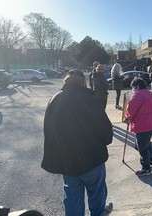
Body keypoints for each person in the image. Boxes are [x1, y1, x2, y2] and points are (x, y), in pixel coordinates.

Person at [42, 69, 113, 216]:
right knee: (97, 193)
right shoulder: (90, 99)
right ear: (83, 82)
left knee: (72, 198)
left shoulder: (54, 100)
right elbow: (106, 132)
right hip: (92, 159)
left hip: (68, 163)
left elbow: (49, 134)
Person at [125, 77, 152, 177]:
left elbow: (130, 110)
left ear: (137, 87)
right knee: (146, 143)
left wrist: (127, 116)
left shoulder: (138, 95)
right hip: (151, 123)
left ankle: (146, 168)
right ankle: (150, 161)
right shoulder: (151, 94)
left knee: (142, 147)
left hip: (143, 124)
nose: (133, 90)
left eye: (133, 87)